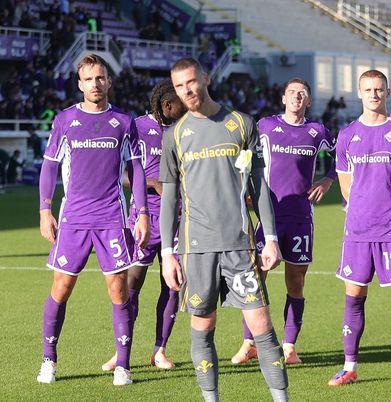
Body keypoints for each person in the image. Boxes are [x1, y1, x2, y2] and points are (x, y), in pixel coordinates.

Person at [159, 58, 288, 402]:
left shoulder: (242, 125)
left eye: (191, 82)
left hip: (240, 246)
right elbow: (169, 200)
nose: (186, 91)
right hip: (196, 249)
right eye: (179, 86)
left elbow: (258, 186)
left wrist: (270, 238)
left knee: (262, 327)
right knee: (202, 330)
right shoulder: (174, 136)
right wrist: (167, 254)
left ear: (205, 78)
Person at [36, 53, 150, 386]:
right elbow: (49, 167)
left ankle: (123, 366)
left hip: (112, 219)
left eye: (100, 78)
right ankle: (48, 360)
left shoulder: (125, 123)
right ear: (80, 84)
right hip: (73, 219)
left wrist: (141, 213)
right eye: (89, 79)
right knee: (61, 287)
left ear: (109, 82)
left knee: (118, 290)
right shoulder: (65, 120)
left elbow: (137, 171)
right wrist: (45, 210)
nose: (95, 84)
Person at [329, 69, 391, 388]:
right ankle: (350, 366)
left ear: (387, 93)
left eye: (379, 89)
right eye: (368, 89)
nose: (373, 94)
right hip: (356, 233)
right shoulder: (346, 135)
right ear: (359, 93)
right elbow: (346, 190)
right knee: (353, 297)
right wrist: (365, 212)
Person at [231, 78, 336, 365]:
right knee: (255, 278)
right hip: (269, 216)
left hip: (301, 218)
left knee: (296, 282)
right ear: (283, 98)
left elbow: (342, 154)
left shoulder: (317, 132)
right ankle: (249, 343)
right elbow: (243, 157)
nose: (297, 97)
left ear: (309, 101)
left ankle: (289, 347)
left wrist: (327, 181)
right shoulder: (265, 126)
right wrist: (245, 189)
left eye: (302, 94)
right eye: (292, 93)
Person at [101, 79, 187, 372]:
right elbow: (121, 176)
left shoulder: (183, 131)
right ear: (166, 105)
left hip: (177, 222)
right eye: (180, 104)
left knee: (172, 287)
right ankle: (120, 350)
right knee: (129, 287)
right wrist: (153, 184)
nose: (185, 108)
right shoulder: (136, 127)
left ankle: (159, 350)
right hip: (142, 221)